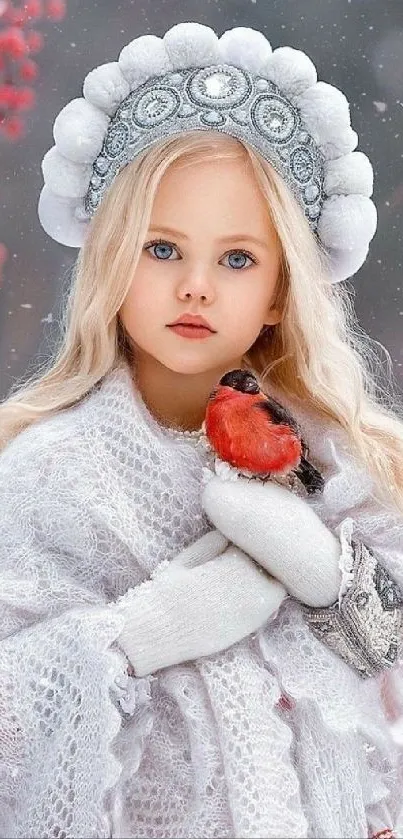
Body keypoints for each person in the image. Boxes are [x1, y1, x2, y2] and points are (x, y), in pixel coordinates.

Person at [0, 20, 402, 839]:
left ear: (283, 289)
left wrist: (327, 574)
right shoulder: (47, 473)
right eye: (161, 248)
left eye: (236, 259)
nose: (193, 287)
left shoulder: (343, 462)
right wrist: (131, 638)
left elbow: (386, 662)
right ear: (111, 260)